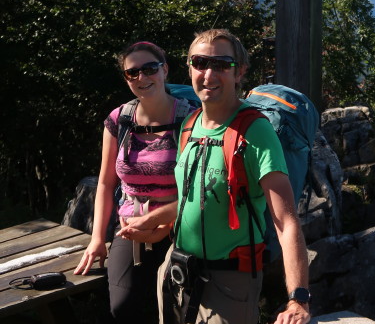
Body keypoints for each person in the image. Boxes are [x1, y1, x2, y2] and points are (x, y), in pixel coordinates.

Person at [137, 29, 311, 324]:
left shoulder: (256, 132)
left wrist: (298, 298)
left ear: (240, 71)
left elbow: (286, 221)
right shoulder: (190, 125)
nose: (209, 73)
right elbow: (197, 197)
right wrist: (156, 219)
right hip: (177, 270)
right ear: (189, 67)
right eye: (200, 62)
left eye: (221, 65)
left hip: (230, 282)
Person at [74, 41, 193, 322]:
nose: (142, 77)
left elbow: (199, 186)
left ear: (164, 69)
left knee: (177, 307)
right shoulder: (119, 120)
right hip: (130, 227)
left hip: (181, 226)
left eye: (150, 68)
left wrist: (164, 226)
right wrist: (97, 240)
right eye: (132, 73)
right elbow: (105, 183)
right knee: (123, 306)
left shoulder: (190, 118)